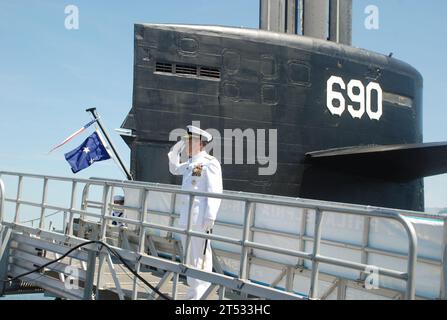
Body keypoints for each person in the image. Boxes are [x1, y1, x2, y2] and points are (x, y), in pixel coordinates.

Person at [167, 125, 223, 300]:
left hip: (200, 220)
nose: (186, 145)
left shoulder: (210, 163)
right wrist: (174, 151)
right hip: (187, 219)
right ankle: (194, 295)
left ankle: (198, 297)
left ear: (200, 143)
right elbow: (174, 168)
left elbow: (215, 191)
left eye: (189, 141)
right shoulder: (191, 164)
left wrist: (210, 216)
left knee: (200, 260)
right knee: (191, 259)